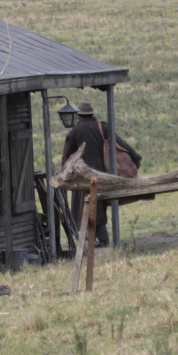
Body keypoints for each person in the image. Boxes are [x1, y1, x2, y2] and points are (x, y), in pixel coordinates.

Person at [61, 100, 142, 247]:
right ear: (91, 113)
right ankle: (101, 239)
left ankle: (88, 238)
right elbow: (120, 143)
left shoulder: (75, 131)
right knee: (98, 206)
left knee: (81, 206)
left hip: (81, 175)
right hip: (101, 174)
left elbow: (66, 155)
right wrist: (134, 156)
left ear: (79, 115)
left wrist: (63, 172)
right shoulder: (102, 126)